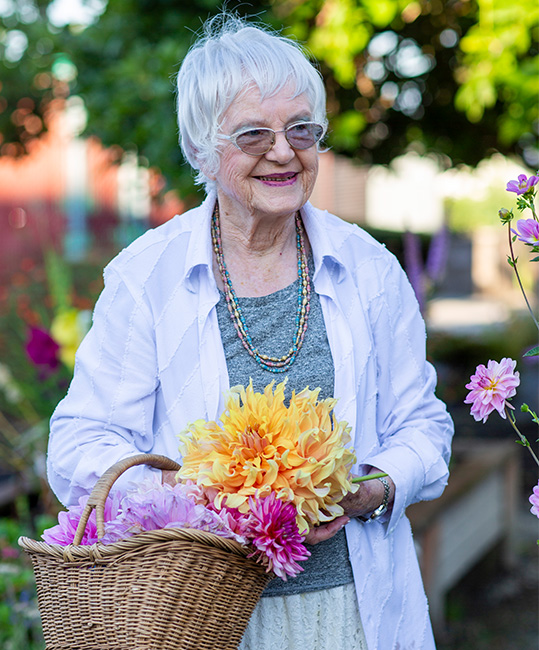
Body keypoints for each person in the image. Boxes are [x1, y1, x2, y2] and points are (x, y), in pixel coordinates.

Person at [47, 13, 454, 650]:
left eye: (301, 130)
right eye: (253, 134)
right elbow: (76, 445)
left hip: (354, 615)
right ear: (201, 150)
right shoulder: (146, 276)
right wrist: (184, 492)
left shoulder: (369, 268)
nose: (284, 152)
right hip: (202, 617)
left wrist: (367, 492)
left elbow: (424, 427)